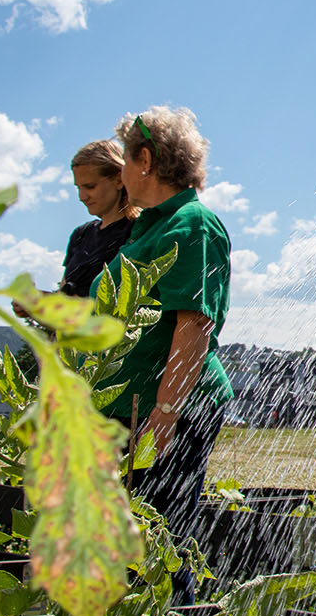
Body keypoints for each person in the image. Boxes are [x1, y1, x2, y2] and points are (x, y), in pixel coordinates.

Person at [97, 106, 233, 540]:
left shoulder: (193, 225)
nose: (120, 177)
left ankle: (178, 608)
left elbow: (193, 325)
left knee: (157, 543)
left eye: (124, 162)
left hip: (163, 412)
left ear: (146, 161)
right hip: (128, 407)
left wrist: (165, 413)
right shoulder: (150, 227)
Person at [60, 140, 137, 297]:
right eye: (78, 188)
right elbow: (62, 311)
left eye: (90, 187)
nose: (82, 197)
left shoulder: (138, 230)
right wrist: (34, 305)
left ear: (118, 180)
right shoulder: (80, 234)